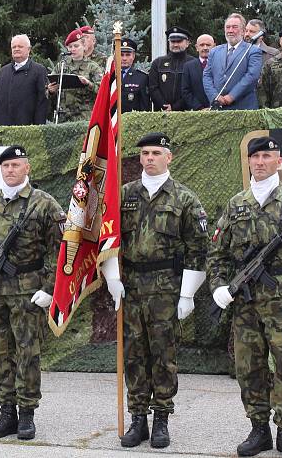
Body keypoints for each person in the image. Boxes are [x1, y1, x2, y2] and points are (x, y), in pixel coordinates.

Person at [208, 137, 282, 458]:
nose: (260, 162)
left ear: (279, 161)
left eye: (267, 156)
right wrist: (219, 285)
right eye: (255, 157)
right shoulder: (236, 205)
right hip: (245, 304)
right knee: (249, 366)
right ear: (248, 162)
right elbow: (217, 253)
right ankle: (259, 428)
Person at [101, 132, 209, 449]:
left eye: (155, 153)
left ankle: (161, 418)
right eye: (145, 153)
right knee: (133, 355)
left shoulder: (184, 199)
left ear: (169, 157)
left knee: (163, 355)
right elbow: (107, 239)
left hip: (165, 286)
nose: (149, 158)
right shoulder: (124, 195)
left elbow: (198, 249)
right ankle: (138, 420)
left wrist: (188, 293)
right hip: (131, 284)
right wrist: (111, 277)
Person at [0, 146, 66, 441]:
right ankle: (6, 411)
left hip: (28, 292)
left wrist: (49, 289)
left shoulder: (43, 204)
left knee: (27, 352)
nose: (10, 170)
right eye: (6, 165)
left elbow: (62, 251)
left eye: (16, 165)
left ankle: (27, 414)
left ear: (27, 168)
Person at [203, 13, 263, 111]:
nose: (230, 30)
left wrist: (231, 96)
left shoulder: (253, 51)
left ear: (243, 31)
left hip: (244, 108)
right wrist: (214, 96)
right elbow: (207, 76)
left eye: (235, 27)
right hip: (218, 108)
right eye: (228, 27)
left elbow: (251, 76)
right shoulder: (214, 51)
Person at [0, 35, 49, 126]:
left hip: (27, 129)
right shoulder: (4, 71)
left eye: (20, 46)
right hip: (2, 129)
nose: (16, 49)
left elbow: (42, 101)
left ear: (28, 49)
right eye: (14, 47)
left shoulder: (39, 70)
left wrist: (38, 128)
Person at [47, 28, 103, 122]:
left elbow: (102, 91)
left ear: (84, 46)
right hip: (63, 118)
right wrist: (51, 91)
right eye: (70, 46)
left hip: (84, 117)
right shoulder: (61, 66)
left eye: (76, 46)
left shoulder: (93, 67)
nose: (73, 49)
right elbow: (49, 91)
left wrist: (88, 84)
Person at [148, 27, 196, 111]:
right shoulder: (158, 63)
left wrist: (175, 107)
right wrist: (164, 106)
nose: (175, 45)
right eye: (173, 41)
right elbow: (153, 88)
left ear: (187, 43)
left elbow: (194, 89)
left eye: (179, 41)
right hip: (161, 113)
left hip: (186, 113)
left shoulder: (194, 63)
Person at [258, 29, 282, 109]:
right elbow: (263, 90)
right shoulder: (270, 64)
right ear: (280, 42)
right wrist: (265, 111)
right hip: (276, 112)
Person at [181, 34, 215, 110]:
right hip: (196, 112)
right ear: (197, 47)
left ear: (214, 46)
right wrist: (199, 108)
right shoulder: (188, 67)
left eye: (208, 45)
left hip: (219, 110)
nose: (205, 48)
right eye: (202, 45)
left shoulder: (221, 64)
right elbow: (185, 91)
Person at [119, 38, 150, 112]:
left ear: (133, 56)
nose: (124, 58)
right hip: (112, 121)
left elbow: (144, 106)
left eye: (128, 55)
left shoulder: (142, 78)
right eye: (121, 55)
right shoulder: (110, 76)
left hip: (132, 120)